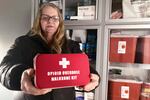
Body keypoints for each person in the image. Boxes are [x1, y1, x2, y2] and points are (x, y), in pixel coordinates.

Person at [0, 3, 100, 100]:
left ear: (59, 22)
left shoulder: (71, 46)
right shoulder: (23, 42)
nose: (50, 21)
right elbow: (4, 68)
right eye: (45, 17)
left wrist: (95, 79)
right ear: (38, 21)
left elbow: (86, 68)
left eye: (55, 18)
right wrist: (21, 75)